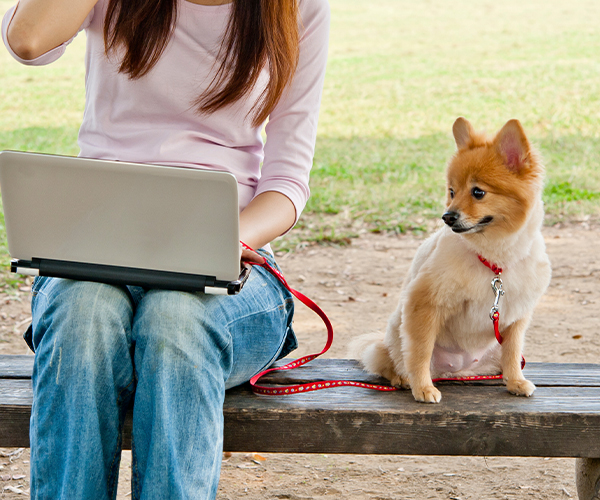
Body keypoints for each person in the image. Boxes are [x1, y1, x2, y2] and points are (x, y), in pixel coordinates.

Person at [1, 0, 330, 498]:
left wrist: (227, 242)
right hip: (97, 253)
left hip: (228, 258)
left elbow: (286, 182)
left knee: (174, 320)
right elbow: (27, 41)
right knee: (83, 313)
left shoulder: (297, 7)